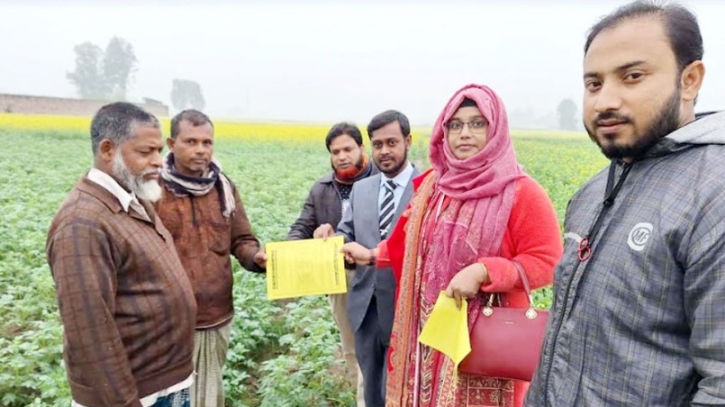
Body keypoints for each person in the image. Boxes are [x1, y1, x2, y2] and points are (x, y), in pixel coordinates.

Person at [526, 2, 725, 406]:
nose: (604, 102)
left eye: (632, 77)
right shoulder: (592, 193)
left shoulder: (713, 195)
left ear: (689, 80)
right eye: (594, 84)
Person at [342, 84, 562, 406]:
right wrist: (372, 255)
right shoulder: (433, 185)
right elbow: (409, 245)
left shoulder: (520, 192)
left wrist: (486, 271)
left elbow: (548, 261)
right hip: (429, 336)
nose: (464, 133)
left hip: (485, 340)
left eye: (477, 123)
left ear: (496, 129)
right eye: (455, 125)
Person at [46, 102, 197, 407]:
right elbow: (89, 332)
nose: (159, 162)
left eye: (159, 151)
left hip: (167, 384)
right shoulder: (83, 222)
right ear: (107, 150)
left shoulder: (133, 197)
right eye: (145, 152)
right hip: (137, 396)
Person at [153, 109, 267, 407]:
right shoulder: (152, 190)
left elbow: (241, 239)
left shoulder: (223, 188)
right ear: (171, 143)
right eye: (191, 141)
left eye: (207, 142)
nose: (201, 149)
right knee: (171, 397)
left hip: (216, 314)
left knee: (209, 396)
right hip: (169, 321)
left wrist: (257, 258)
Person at [316, 110, 420, 406]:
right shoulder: (362, 189)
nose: (384, 151)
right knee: (371, 390)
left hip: (407, 307)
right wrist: (330, 237)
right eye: (378, 144)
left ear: (408, 141)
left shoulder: (427, 187)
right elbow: (346, 233)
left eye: (391, 142)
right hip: (364, 307)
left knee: (403, 391)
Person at [287, 122, 377, 405]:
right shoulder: (322, 189)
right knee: (351, 343)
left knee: (380, 342)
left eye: (348, 149)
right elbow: (301, 226)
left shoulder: (381, 181)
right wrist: (285, 253)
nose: (342, 156)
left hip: (376, 275)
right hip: (340, 279)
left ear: (362, 149)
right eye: (335, 151)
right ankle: (364, 394)